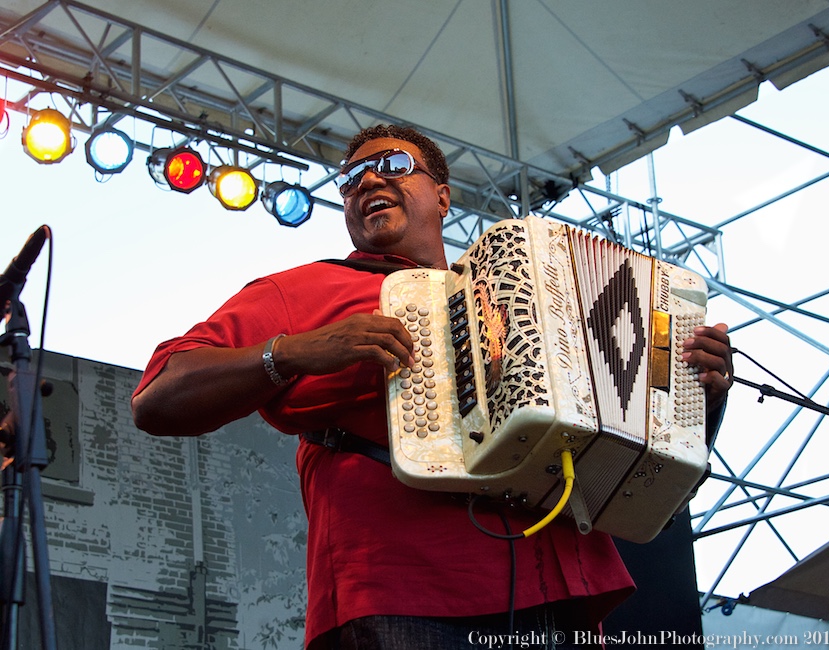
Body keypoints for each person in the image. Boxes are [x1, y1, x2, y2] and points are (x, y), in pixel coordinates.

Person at [132, 124, 734, 649]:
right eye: (352, 178)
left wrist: (697, 391)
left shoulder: (528, 297)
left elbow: (641, 459)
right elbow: (158, 396)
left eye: (392, 166)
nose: (368, 182)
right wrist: (290, 352)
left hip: (565, 596)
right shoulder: (302, 290)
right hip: (407, 596)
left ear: (442, 197)